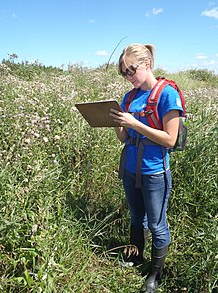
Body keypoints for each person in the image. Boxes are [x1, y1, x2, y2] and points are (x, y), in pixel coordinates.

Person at [110, 43, 183, 292]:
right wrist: (116, 121)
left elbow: (170, 140)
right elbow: (123, 137)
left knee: (156, 223)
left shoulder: (167, 94)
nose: (128, 77)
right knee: (135, 217)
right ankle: (135, 256)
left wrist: (135, 123)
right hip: (130, 168)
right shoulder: (129, 97)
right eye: (124, 73)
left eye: (131, 70)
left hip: (155, 171)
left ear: (147, 64)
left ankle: (154, 274)